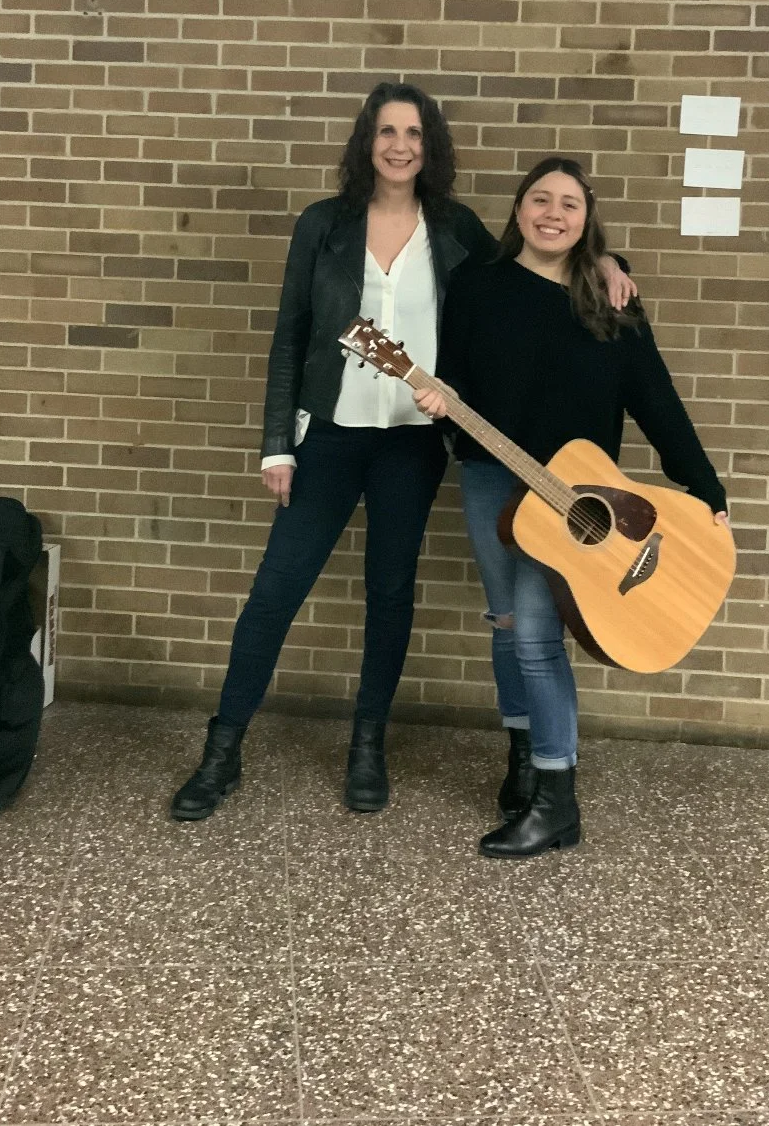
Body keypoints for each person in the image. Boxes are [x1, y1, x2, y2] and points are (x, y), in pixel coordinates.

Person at [171, 88, 635, 822]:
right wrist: (274, 448)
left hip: (413, 447)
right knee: (272, 595)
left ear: (431, 145)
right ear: (366, 140)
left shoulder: (452, 228)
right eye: (386, 131)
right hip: (326, 436)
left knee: (389, 595)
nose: (399, 145)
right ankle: (222, 750)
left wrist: (606, 256)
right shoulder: (322, 225)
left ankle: (367, 747)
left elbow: (531, 267)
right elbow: (291, 333)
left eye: (413, 132)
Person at [414, 156, 730, 860]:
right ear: (518, 209)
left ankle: (556, 799)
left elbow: (656, 400)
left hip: (572, 505)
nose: (552, 213)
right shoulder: (476, 285)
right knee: (504, 625)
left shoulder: (608, 296)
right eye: (539, 199)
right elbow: (456, 376)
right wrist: (441, 403)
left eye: (568, 204)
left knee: (534, 637)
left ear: (587, 221)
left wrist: (705, 490)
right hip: (492, 480)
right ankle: (523, 758)